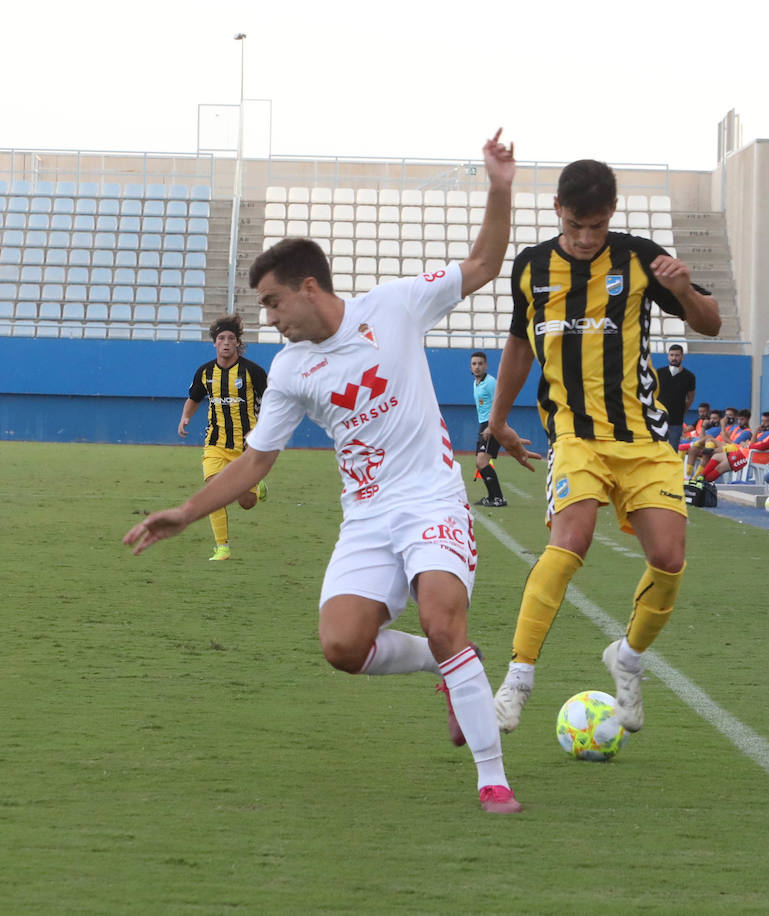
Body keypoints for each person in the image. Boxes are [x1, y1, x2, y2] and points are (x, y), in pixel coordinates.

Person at [125, 131, 525, 814]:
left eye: (275, 304)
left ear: (310, 289)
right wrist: (186, 512)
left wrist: (499, 185)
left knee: (440, 619)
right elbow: (255, 460)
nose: (270, 319)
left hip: (432, 498)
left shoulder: (396, 306)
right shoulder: (288, 370)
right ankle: (453, 667)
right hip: (367, 515)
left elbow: (486, 262)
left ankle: (492, 776)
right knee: (342, 646)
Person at [483, 157, 721, 736]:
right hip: (574, 434)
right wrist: (496, 422)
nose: (586, 239)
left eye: (596, 227)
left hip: (644, 438)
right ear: (557, 212)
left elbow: (709, 323)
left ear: (611, 214)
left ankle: (629, 659)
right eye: (575, 227)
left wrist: (684, 291)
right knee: (571, 541)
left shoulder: (639, 258)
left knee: (668, 559)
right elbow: (518, 345)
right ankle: (517, 680)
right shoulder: (532, 267)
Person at [177, 315, 269, 560]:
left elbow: (272, 402)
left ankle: (256, 486)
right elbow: (194, 398)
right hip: (215, 443)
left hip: (245, 447)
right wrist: (185, 417)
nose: (226, 343)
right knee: (215, 490)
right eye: (221, 339)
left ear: (238, 343)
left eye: (231, 338)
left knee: (246, 502)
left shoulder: (253, 372)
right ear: (214, 344)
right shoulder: (205, 372)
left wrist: (260, 430)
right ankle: (222, 547)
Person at [469, 351, 507, 507]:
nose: (477, 367)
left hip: (492, 424)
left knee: (482, 461)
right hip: (483, 424)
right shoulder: (476, 383)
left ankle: (498, 498)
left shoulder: (491, 382)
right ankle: (492, 497)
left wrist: (492, 426)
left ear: (486, 365)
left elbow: (501, 403)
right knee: (481, 462)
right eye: (474, 364)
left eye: (480, 363)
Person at [654, 344, 696, 450]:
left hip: (676, 421)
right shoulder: (659, 373)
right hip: (659, 418)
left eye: (677, 355)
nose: (674, 358)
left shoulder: (689, 376)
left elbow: (690, 398)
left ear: (682, 357)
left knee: (673, 449)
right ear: (668, 356)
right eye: (671, 355)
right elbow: (652, 394)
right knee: (657, 448)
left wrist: (682, 412)